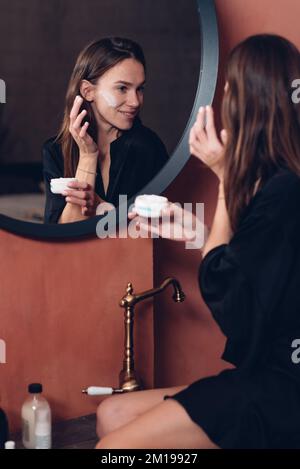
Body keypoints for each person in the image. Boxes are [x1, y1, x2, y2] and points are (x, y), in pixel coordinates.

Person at [95, 34, 300, 449]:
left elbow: (234, 301)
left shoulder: (285, 191)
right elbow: (257, 270)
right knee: (111, 412)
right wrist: (197, 233)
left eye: (230, 91)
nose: (224, 101)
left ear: (249, 102)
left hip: (281, 388)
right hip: (268, 372)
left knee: (112, 451)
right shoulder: (278, 183)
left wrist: (223, 179)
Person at [43, 37, 168, 224]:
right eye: (122, 88)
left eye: (140, 88)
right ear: (87, 91)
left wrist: (102, 208)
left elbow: (161, 231)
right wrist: (88, 156)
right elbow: (61, 236)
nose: (135, 102)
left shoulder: (148, 147)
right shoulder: (55, 151)